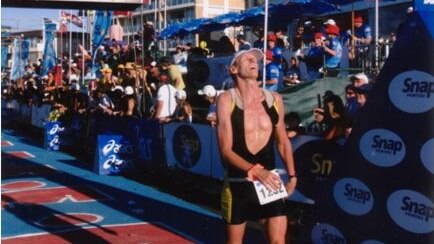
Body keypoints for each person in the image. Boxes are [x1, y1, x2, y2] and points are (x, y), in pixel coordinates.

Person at [216, 48, 297, 244]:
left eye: (257, 60)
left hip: (268, 181)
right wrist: (254, 170)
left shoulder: (274, 99)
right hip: (238, 182)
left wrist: (292, 175)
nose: (255, 63)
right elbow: (226, 150)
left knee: (278, 241)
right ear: (233, 69)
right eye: (249, 59)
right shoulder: (227, 99)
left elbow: (282, 141)